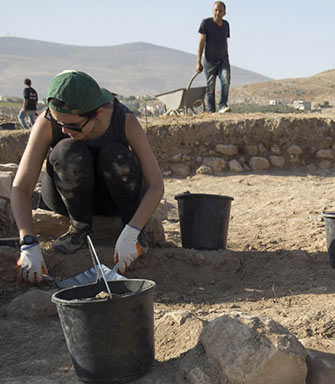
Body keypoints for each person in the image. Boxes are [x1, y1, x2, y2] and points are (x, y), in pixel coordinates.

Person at [12, 70, 164, 283]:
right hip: (67, 199)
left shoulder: (124, 120)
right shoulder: (47, 122)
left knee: (116, 155)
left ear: (98, 113)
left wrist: (133, 230)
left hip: (111, 198)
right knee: (67, 150)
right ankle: (79, 229)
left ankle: (134, 234)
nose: (64, 130)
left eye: (73, 125)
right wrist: (28, 243)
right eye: (59, 123)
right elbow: (20, 188)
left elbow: (156, 185)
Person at [196, 1, 231, 113]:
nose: (217, 13)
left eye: (220, 11)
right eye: (216, 10)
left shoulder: (226, 25)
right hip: (209, 61)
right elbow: (201, 42)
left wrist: (226, 54)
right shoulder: (206, 23)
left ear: (224, 13)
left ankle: (222, 106)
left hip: (223, 59)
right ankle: (211, 111)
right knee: (210, 87)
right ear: (212, 11)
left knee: (226, 79)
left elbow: (225, 41)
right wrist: (198, 62)